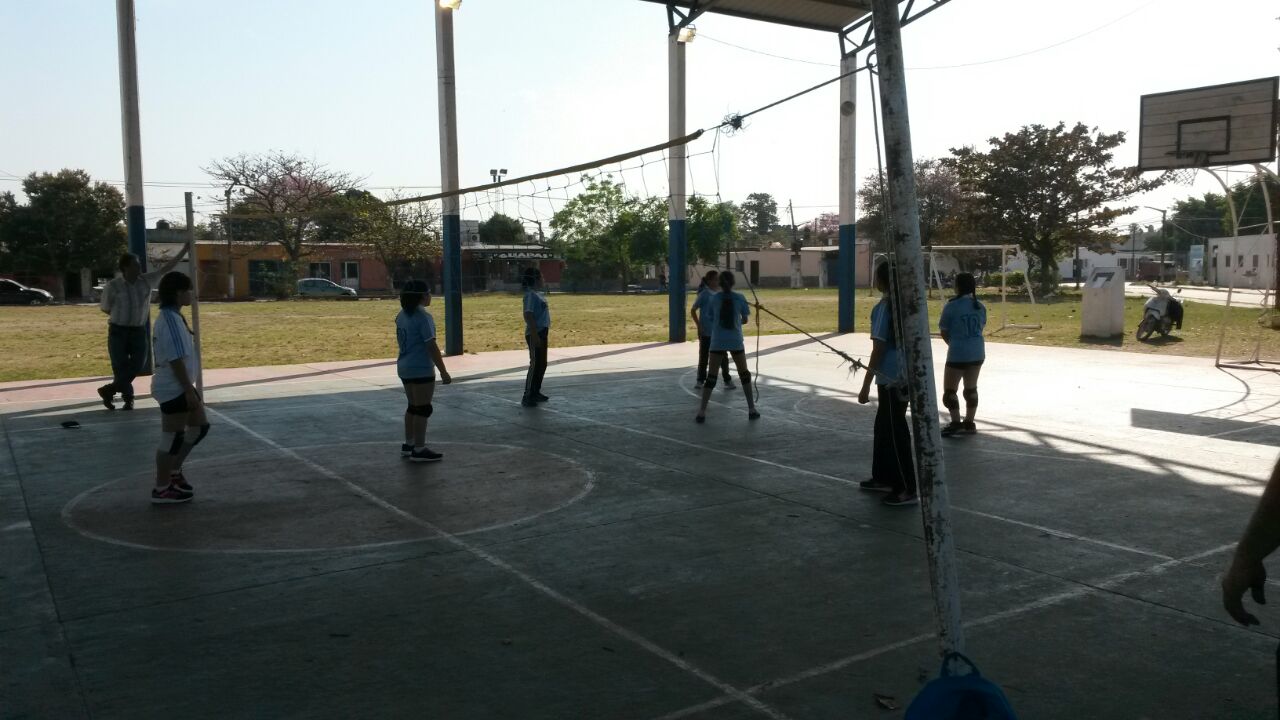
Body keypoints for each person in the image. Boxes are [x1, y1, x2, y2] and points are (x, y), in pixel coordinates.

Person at [98, 247, 189, 411]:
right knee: (120, 366)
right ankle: (128, 399)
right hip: (118, 331)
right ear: (125, 267)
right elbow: (105, 308)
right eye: (135, 265)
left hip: (138, 330)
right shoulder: (113, 286)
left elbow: (167, 268)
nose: (139, 268)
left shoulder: (147, 281)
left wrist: (185, 249)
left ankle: (109, 390)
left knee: (139, 364)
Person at [858, 261, 918, 507]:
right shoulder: (908, 306)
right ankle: (883, 476)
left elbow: (879, 349)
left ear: (881, 281)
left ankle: (906, 488)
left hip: (892, 378)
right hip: (904, 375)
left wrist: (865, 384)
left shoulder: (884, 308)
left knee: (895, 432)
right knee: (884, 427)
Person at [149, 272, 207, 504]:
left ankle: (173, 472)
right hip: (173, 387)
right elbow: (174, 359)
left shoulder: (174, 317)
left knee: (199, 427)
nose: (191, 295)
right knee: (171, 437)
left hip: (181, 385)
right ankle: (162, 489)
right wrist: (186, 389)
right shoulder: (170, 320)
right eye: (188, 290)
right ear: (178, 293)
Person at [396, 280, 451, 462]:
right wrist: (443, 371)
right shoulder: (423, 317)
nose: (430, 296)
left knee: (413, 407)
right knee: (423, 409)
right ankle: (419, 449)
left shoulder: (402, 315)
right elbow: (431, 345)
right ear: (422, 296)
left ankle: (409, 444)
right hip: (421, 367)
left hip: (404, 366)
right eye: (428, 293)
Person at [694, 271, 759, 423]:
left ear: (720, 283)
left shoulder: (713, 298)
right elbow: (744, 319)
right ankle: (751, 409)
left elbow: (711, 317)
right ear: (733, 283)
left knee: (711, 377)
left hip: (717, 341)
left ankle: (702, 412)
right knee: (744, 374)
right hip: (735, 340)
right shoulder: (740, 298)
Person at [938, 272, 987, 437]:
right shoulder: (980, 306)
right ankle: (969, 422)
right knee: (971, 388)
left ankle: (955, 422)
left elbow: (944, 331)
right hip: (978, 351)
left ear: (957, 286)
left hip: (958, 352)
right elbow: (981, 327)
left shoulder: (951, 306)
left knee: (950, 391)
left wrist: (954, 343)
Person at [690, 270, 734, 391]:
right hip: (706, 331)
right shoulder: (704, 294)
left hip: (719, 332)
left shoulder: (721, 294)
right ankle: (700, 380)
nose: (717, 282)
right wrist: (699, 325)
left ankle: (727, 379)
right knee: (704, 356)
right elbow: (693, 310)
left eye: (718, 279)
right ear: (709, 281)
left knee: (723, 357)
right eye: (714, 279)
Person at [521, 267, 551, 408]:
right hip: (535, 333)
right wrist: (534, 334)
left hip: (543, 332)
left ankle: (535, 392)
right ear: (535, 279)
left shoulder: (538, 294)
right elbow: (528, 314)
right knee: (535, 364)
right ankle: (527, 395)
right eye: (541, 277)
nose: (543, 279)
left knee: (542, 364)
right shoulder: (530, 296)